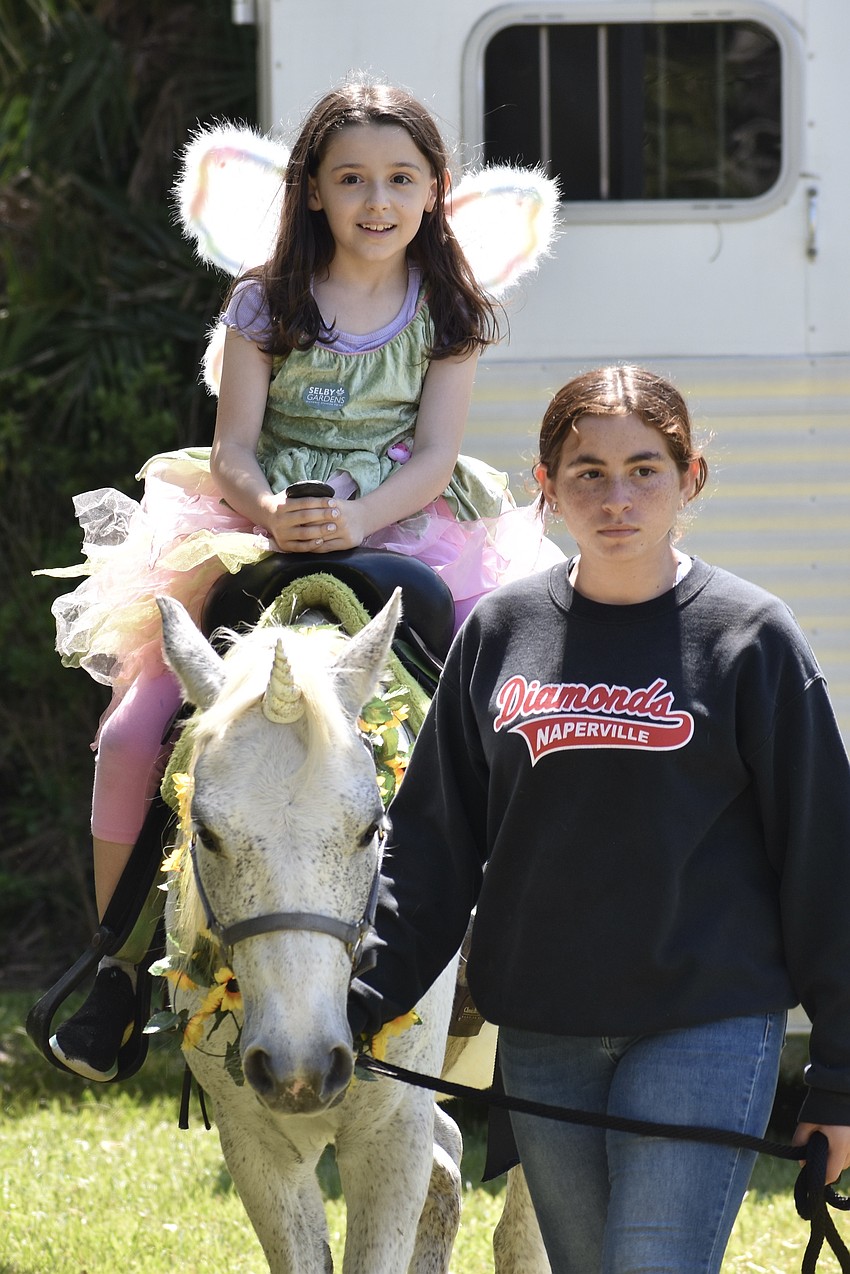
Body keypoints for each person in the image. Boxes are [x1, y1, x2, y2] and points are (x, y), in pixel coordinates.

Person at [44, 80, 561, 1081]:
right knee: (131, 726)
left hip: (403, 521)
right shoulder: (264, 295)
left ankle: (503, 946)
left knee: (498, 712)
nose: (377, 200)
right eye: (352, 179)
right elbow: (230, 443)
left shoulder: (451, 308)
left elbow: (434, 450)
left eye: (400, 179)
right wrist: (276, 509)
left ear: (432, 191)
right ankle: (113, 967)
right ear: (313, 192)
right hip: (256, 519)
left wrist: (361, 518)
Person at [347, 364, 850, 1272]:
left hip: (706, 1021)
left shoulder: (752, 639)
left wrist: (844, 1073)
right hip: (544, 1031)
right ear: (546, 487)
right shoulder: (499, 634)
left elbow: (825, 862)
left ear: (689, 478)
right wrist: (351, 1009)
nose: (618, 497)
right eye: (588, 472)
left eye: (645, 469)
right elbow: (431, 849)